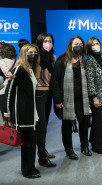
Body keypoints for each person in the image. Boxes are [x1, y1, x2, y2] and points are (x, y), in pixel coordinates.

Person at [4, 44, 41, 178]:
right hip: (22, 112)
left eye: (35, 52)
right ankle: (27, 171)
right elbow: (10, 91)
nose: (33, 54)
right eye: (30, 52)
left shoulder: (30, 69)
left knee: (30, 142)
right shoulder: (19, 68)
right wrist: (6, 111)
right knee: (28, 143)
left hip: (31, 112)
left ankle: (29, 167)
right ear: (24, 53)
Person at [51, 36, 91, 159]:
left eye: (80, 43)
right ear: (70, 46)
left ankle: (84, 146)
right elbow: (55, 81)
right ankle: (69, 149)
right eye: (76, 43)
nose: (78, 45)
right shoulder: (62, 61)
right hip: (66, 99)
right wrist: (57, 100)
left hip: (81, 99)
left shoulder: (83, 61)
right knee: (67, 125)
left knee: (84, 123)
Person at [34, 32, 57, 167]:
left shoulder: (53, 57)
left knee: (45, 124)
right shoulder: (35, 57)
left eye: (50, 41)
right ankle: (42, 157)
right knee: (41, 125)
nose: (48, 43)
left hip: (49, 94)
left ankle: (43, 150)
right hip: (38, 94)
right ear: (40, 42)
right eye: (45, 41)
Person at [86, 37, 102, 155]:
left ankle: (93, 141)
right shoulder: (89, 61)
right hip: (96, 96)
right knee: (98, 120)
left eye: (97, 43)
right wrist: (94, 97)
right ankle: (97, 146)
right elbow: (90, 81)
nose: (95, 45)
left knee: (98, 120)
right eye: (93, 44)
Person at [0, 44, 17, 126]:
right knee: (14, 113)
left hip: (3, 91)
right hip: (15, 89)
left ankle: (8, 134)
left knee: (5, 115)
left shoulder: (1, 62)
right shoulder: (17, 61)